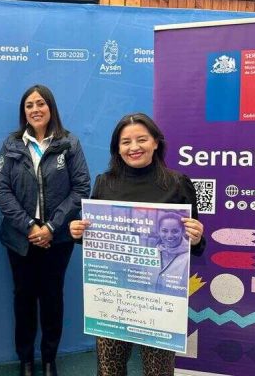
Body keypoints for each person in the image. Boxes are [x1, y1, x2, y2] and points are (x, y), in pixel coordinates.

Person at [70, 113, 205, 376]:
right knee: (109, 370)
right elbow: (98, 239)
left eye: (142, 139)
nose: (134, 147)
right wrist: (79, 233)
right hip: (113, 297)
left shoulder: (178, 183)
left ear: (155, 142)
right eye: (126, 142)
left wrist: (197, 238)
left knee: (158, 372)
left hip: (159, 299)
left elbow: (195, 246)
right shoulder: (104, 182)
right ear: (117, 148)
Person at [0, 85, 90, 376]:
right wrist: (29, 226)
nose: (35, 109)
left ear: (51, 107)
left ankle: (49, 360)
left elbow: (81, 188)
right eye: (29, 105)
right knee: (23, 299)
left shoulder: (69, 143)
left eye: (40, 103)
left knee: (52, 298)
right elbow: (1, 190)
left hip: (57, 239)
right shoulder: (11, 144)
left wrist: (50, 227)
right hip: (19, 238)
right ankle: (25, 360)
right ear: (23, 111)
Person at [154, 212, 189, 294]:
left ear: (183, 231)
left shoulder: (189, 256)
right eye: (164, 231)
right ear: (159, 231)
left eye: (175, 231)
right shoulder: (154, 252)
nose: (169, 236)